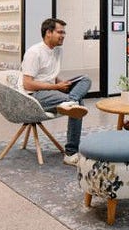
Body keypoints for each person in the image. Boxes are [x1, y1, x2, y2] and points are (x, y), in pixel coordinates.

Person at [21, 18, 91, 166]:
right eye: (60, 32)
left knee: (85, 79)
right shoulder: (34, 52)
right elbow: (27, 84)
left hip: (52, 89)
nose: (63, 36)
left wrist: (61, 84)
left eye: (64, 32)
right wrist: (56, 87)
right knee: (78, 104)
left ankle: (70, 100)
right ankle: (70, 153)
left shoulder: (57, 50)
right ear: (48, 32)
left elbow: (49, 75)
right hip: (35, 95)